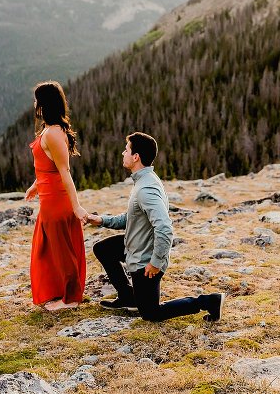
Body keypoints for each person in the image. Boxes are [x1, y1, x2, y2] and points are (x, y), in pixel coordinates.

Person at [85, 132, 225, 322]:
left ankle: (209, 301)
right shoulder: (143, 180)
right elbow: (132, 218)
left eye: (126, 150)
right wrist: (101, 220)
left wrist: (156, 262)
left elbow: (165, 228)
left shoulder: (146, 189)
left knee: (151, 313)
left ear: (136, 157)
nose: (122, 153)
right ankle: (127, 296)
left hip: (146, 259)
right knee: (103, 249)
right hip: (136, 245)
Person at [25, 81, 88, 311]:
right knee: (48, 249)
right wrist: (35, 185)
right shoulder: (49, 129)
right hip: (48, 197)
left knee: (62, 251)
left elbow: (64, 171)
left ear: (43, 105)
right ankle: (58, 292)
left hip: (57, 201)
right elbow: (46, 167)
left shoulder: (53, 133)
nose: (34, 104)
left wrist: (77, 207)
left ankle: (70, 299)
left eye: (36, 100)